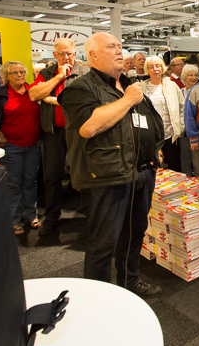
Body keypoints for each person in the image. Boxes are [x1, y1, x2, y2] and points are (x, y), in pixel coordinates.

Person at [58, 33, 164, 298]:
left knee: (134, 234)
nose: (119, 51)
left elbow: (147, 122)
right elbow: (89, 126)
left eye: (120, 46)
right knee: (103, 243)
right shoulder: (80, 88)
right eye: (111, 47)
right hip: (107, 177)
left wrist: (155, 149)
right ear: (93, 55)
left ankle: (130, 281)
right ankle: (99, 298)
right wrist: (127, 100)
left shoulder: (129, 85)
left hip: (141, 172)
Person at [28, 38, 91, 236]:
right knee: (52, 176)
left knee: (83, 173)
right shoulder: (46, 73)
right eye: (62, 54)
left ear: (75, 53)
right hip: (53, 132)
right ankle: (52, 217)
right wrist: (58, 77)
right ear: (54, 55)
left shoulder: (84, 73)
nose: (66, 57)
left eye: (69, 53)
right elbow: (34, 95)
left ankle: (89, 215)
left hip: (78, 132)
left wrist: (53, 100)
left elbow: (83, 101)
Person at [0, 61, 41, 235]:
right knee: (13, 183)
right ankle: (13, 220)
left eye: (22, 72)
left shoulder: (34, 91)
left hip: (33, 144)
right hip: (10, 145)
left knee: (30, 181)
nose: (19, 75)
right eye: (14, 72)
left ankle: (31, 215)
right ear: (6, 76)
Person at [141, 56, 185, 172]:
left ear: (162, 68)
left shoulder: (172, 85)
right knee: (153, 167)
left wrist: (180, 127)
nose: (155, 69)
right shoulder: (142, 88)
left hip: (171, 135)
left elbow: (182, 107)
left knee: (174, 167)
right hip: (151, 136)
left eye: (158, 66)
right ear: (147, 69)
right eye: (151, 67)